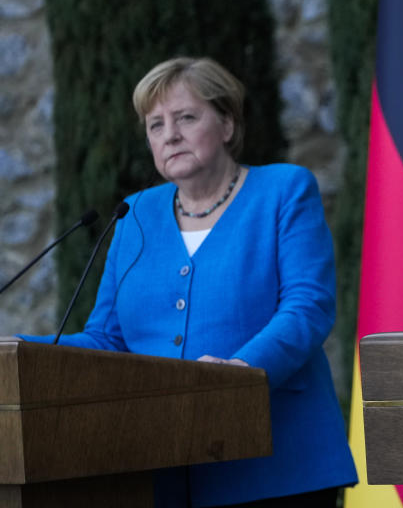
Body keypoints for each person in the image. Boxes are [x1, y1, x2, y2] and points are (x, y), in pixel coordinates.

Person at [19, 57, 357, 507]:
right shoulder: (135, 214)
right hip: (161, 472)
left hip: (278, 463)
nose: (170, 134)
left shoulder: (283, 191)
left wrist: (242, 373)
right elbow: (106, 339)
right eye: (155, 125)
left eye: (186, 117)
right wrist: (17, 350)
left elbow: (307, 307)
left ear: (228, 125)